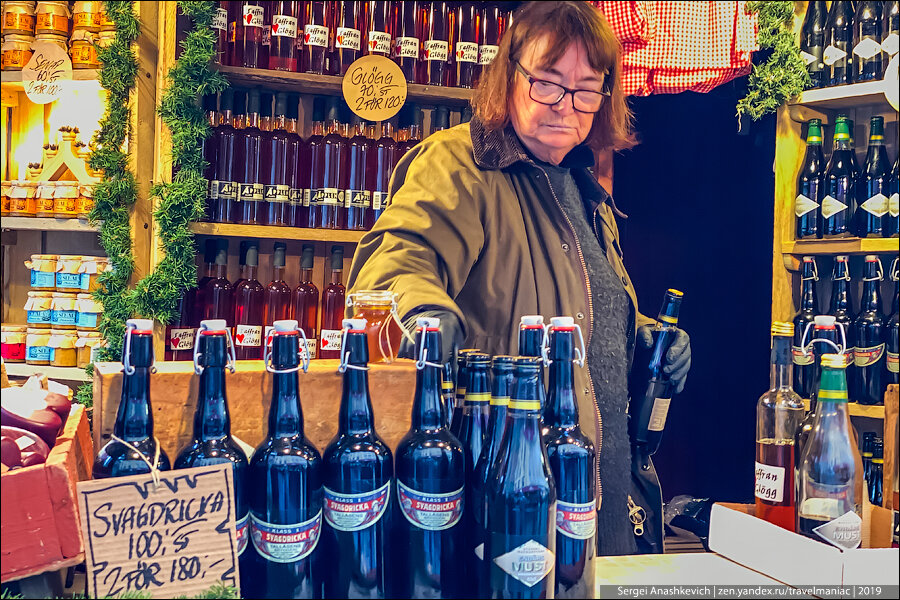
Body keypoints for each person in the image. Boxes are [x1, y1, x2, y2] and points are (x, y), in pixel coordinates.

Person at [347, 1, 691, 556]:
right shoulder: (460, 165)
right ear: (510, 75)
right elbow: (396, 264)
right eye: (548, 83)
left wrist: (641, 336)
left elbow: (573, 304)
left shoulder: (582, 186)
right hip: (511, 505)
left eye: (586, 89)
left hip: (601, 503)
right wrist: (423, 316)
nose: (567, 106)